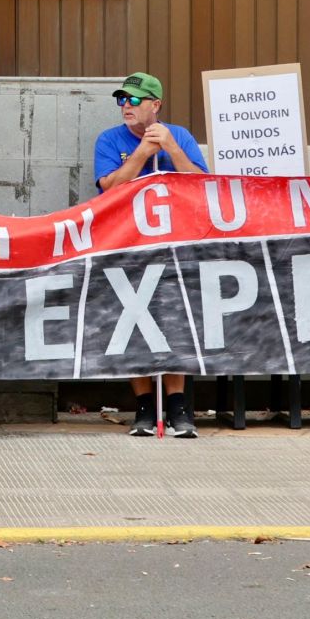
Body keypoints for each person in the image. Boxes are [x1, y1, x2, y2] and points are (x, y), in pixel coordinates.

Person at [92, 71, 207, 438]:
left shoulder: (180, 136)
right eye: (122, 99)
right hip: (127, 241)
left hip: (174, 241)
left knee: (176, 317)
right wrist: (141, 154)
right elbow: (108, 188)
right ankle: (143, 404)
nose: (126, 106)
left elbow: (202, 184)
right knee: (131, 319)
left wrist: (172, 149)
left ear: (155, 105)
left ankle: (177, 403)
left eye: (134, 100)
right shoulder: (110, 140)